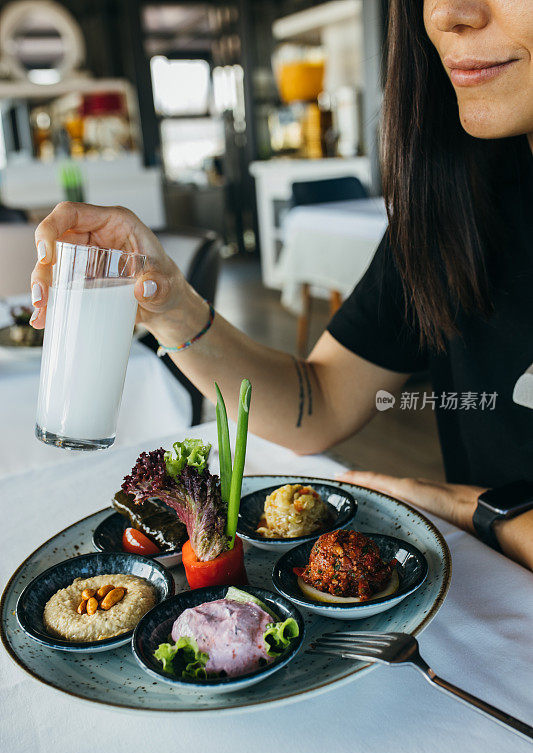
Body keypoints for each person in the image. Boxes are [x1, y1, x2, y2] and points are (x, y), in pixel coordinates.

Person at [29, 0, 533, 569]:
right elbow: (318, 404)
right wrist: (169, 306)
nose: (447, 14)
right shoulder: (459, 210)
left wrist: (476, 509)